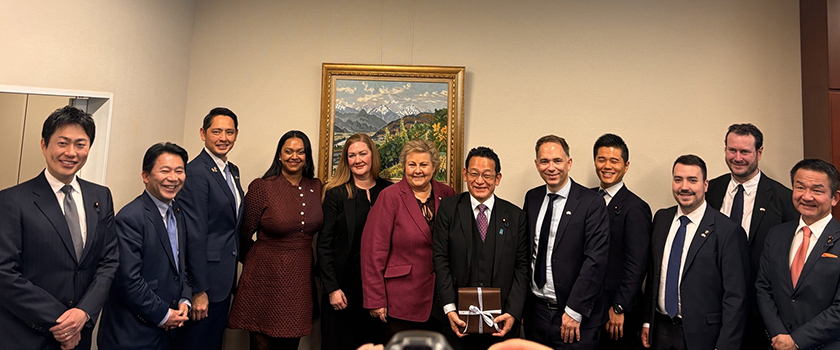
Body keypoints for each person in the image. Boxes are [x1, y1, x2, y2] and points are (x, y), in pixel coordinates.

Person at [0, 106, 118, 350]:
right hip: (27, 334)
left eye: (80, 144)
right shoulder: (12, 200)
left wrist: (84, 312)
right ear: (44, 145)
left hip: (79, 336)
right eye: (62, 143)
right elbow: (4, 273)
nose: (71, 153)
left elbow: (109, 261)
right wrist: (64, 321)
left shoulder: (101, 196)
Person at [640, 155, 749, 350]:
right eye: (678, 179)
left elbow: (736, 296)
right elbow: (653, 275)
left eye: (692, 180)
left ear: (705, 185)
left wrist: (726, 344)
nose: (684, 187)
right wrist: (648, 321)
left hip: (704, 337)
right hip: (660, 331)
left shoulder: (728, 231)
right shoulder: (662, 219)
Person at [705, 123, 798, 348]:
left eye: (745, 151)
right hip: (715, 308)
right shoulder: (711, 191)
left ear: (759, 152)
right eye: (731, 150)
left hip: (761, 314)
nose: (737, 157)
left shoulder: (784, 199)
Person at [228, 130, 323, 350]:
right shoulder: (262, 187)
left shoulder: (316, 187)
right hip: (264, 281)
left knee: (291, 345)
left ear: (307, 156)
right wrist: (258, 262)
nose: (294, 156)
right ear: (279, 155)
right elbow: (242, 234)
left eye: (300, 152)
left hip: (299, 282)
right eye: (288, 151)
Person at [433, 146, 530, 350]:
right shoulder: (449, 209)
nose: (480, 181)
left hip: (501, 322)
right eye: (474, 174)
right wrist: (449, 308)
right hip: (456, 321)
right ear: (465, 175)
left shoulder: (515, 216)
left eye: (487, 175)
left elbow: (522, 268)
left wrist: (513, 312)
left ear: (497, 178)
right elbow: (441, 259)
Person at [98, 142, 192, 349]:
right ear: (146, 176)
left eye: (179, 171)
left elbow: (179, 264)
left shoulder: (177, 211)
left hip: (168, 329)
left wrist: (185, 298)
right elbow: (128, 280)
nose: (173, 178)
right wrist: (163, 314)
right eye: (165, 170)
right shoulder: (131, 217)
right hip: (132, 332)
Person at [361, 138, 456, 338]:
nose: (417, 170)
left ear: (434, 167)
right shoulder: (390, 197)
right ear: (404, 166)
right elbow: (373, 252)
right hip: (402, 300)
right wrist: (376, 299)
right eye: (412, 165)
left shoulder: (447, 194)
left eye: (423, 164)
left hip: (441, 301)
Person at [523, 135, 610, 349]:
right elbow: (526, 252)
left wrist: (574, 311)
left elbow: (595, 261)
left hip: (574, 316)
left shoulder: (592, 203)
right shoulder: (532, 198)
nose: (551, 167)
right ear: (537, 165)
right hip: (537, 313)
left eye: (557, 161)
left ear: (569, 163)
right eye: (544, 161)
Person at [177, 107, 244, 350]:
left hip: (223, 279)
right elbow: (194, 235)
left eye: (229, 132)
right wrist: (198, 290)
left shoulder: (231, 171)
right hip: (206, 283)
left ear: (236, 134)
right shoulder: (195, 172)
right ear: (203, 133)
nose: (223, 138)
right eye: (216, 131)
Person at [756, 159, 840, 349]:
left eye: (817, 190)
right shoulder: (776, 234)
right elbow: (763, 288)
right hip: (778, 343)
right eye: (800, 187)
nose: (807, 196)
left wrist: (797, 341)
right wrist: (779, 335)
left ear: (834, 197)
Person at [318, 133, 392, 349]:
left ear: (372, 156)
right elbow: (324, 246)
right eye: (352, 155)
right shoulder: (335, 194)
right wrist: (332, 289)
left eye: (362, 153)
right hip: (342, 290)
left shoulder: (388, 191)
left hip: (378, 290)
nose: (358, 160)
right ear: (346, 160)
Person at [589, 134, 651, 350]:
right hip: (588, 307)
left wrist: (619, 307)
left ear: (626, 166)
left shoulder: (636, 208)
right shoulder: (585, 200)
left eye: (614, 161)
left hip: (616, 312)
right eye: (601, 159)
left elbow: (637, 264)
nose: (607, 166)